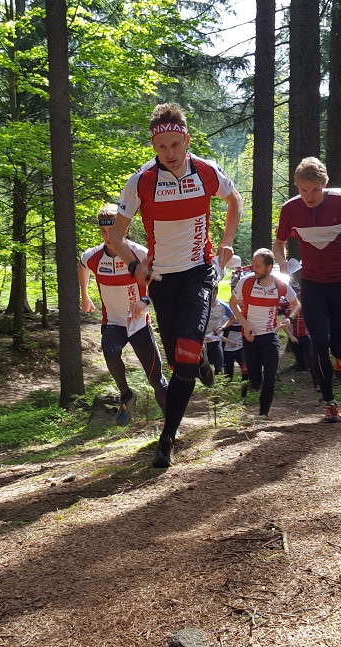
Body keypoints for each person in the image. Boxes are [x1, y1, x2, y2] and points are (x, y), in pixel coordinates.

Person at [108, 102, 242, 467]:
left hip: (199, 272)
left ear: (187, 141)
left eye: (175, 145)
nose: (169, 153)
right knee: (178, 358)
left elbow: (235, 200)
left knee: (183, 357)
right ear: (154, 146)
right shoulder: (141, 181)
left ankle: (166, 438)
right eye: (161, 146)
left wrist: (228, 240)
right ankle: (200, 360)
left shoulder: (207, 172)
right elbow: (116, 237)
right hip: (161, 279)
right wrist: (134, 265)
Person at [274, 157, 341, 423]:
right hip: (312, 284)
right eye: (303, 190)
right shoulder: (291, 209)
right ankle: (329, 403)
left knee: (339, 346)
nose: (309, 196)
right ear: (297, 186)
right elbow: (279, 243)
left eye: (315, 190)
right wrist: (283, 266)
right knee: (319, 343)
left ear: (325, 184)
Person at [79, 204, 169, 425]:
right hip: (113, 322)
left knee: (156, 380)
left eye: (112, 231)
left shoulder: (139, 253)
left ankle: (171, 425)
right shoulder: (93, 256)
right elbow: (82, 265)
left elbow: (162, 282)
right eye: (103, 231)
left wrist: (145, 301)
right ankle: (126, 395)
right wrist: (85, 295)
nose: (108, 236)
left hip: (139, 324)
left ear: (123, 229)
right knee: (110, 353)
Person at [229, 249, 299, 419]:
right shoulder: (246, 282)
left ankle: (263, 414)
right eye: (253, 265)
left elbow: (296, 304)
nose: (254, 269)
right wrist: (245, 325)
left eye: (258, 266)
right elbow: (233, 303)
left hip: (270, 336)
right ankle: (255, 384)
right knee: (255, 380)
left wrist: (289, 318)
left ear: (269, 267)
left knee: (270, 376)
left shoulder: (280, 285)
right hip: (250, 336)